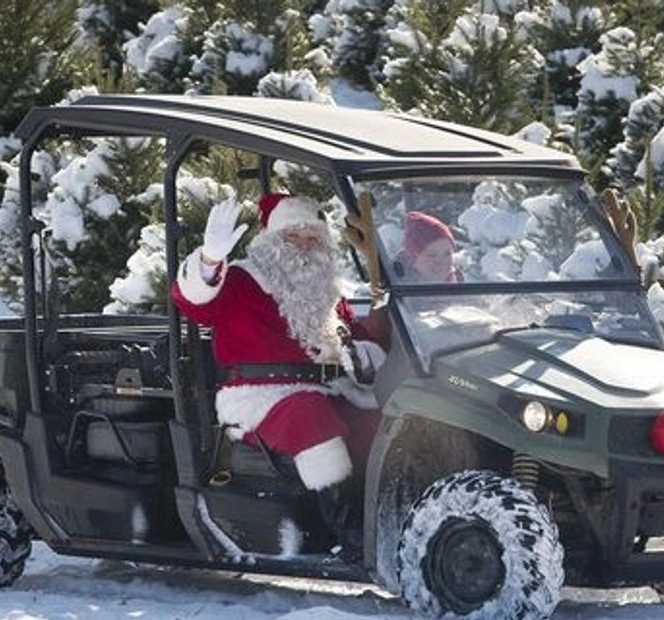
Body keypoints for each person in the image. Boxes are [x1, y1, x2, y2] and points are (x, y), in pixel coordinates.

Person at [170, 193, 386, 550]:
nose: (303, 245)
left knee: (379, 418)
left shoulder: (327, 293)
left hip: (327, 388)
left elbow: (359, 341)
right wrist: (210, 260)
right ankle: (345, 529)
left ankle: (386, 513)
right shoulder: (241, 280)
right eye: (293, 236)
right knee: (308, 414)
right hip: (260, 396)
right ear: (271, 241)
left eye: (312, 237)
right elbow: (193, 302)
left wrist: (361, 353)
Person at [399, 210, 459, 283]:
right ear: (413, 257)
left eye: (447, 254)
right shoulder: (398, 286)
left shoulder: (461, 286)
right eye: (432, 255)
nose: (441, 262)